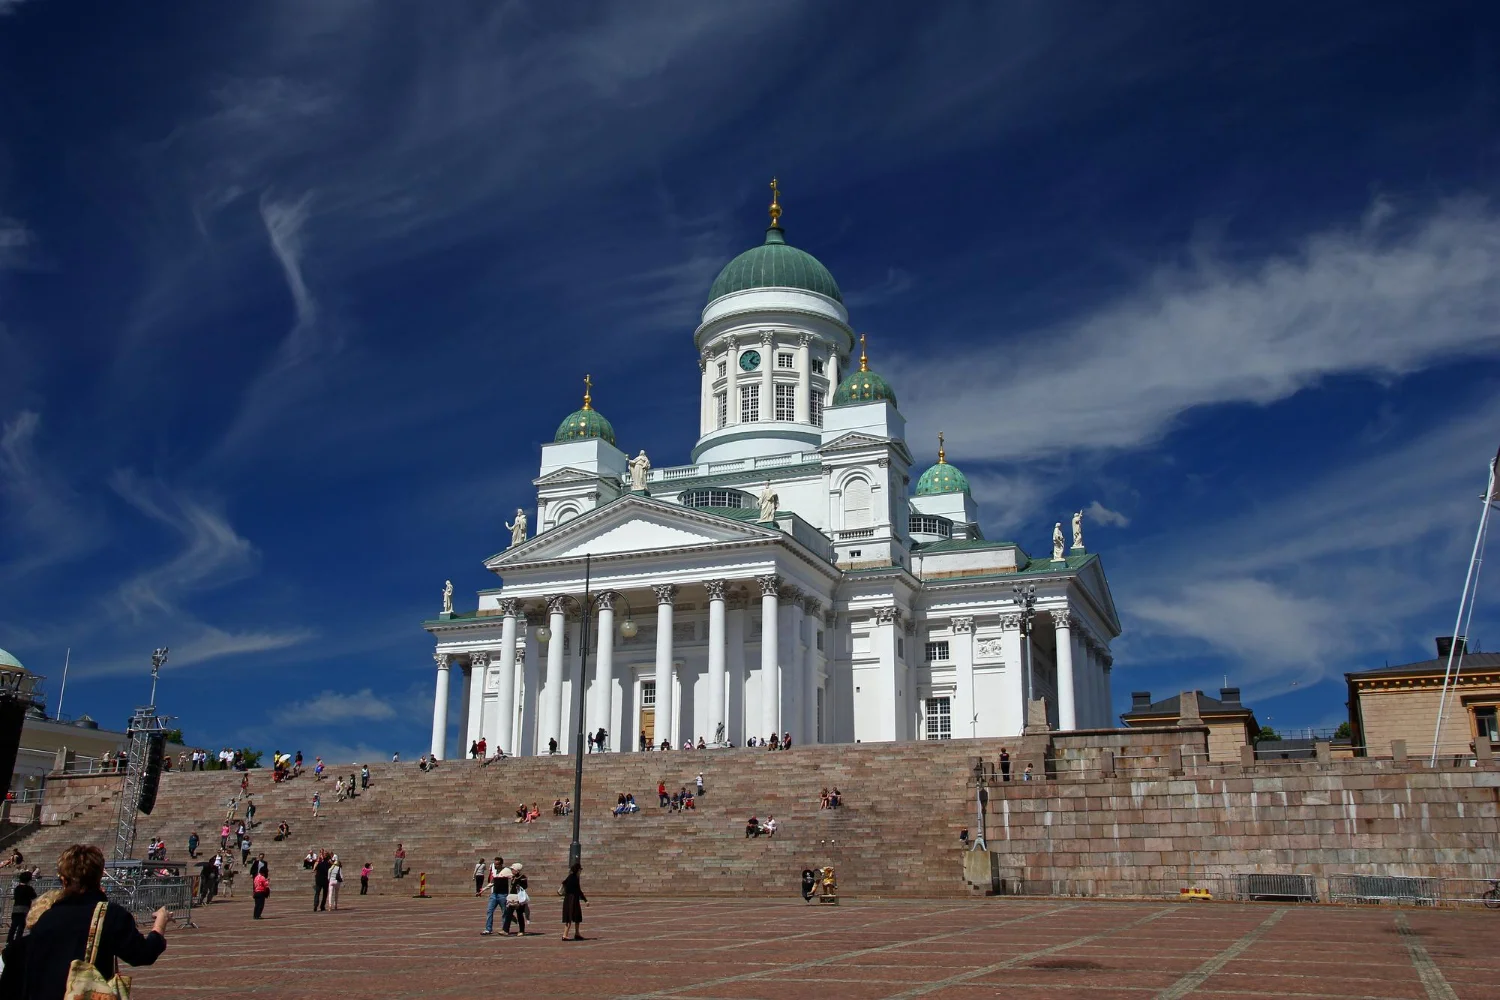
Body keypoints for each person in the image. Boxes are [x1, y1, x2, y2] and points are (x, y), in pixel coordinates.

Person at [23, 844, 168, 999]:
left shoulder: (46, 918)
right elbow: (142, 954)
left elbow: (31, 972)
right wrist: (160, 923)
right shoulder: (109, 914)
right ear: (99, 877)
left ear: (64, 880)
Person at [560, 862, 588, 941]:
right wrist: (585, 900)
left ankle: (577, 933)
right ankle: (565, 935)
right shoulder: (574, 878)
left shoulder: (570, 877)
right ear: (578, 870)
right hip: (572, 900)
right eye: (580, 870)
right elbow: (578, 890)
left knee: (576, 916)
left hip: (568, 899)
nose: (580, 872)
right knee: (571, 916)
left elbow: (563, 883)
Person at [482, 862, 510, 935]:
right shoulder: (494, 871)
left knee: (504, 912)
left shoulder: (506, 870)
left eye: (497, 864)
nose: (496, 865)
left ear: (501, 864)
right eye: (495, 864)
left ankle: (505, 929)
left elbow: (513, 878)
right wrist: (483, 890)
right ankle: (488, 929)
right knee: (489, 911)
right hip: (494, 894)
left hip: (503, 894)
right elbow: (492, 882)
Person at [8, 870, 35, 945]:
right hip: (24, 909)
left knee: (13, 926)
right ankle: (17, 942)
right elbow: (34, 896)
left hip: (16, 908)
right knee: (21, 927)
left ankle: (9, 941)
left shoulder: (17, 888)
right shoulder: (29, 888)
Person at [503, 863, 528, 935]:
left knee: (519, 914)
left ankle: (521, 931)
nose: (511, 870)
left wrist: (519, 885)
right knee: (509, 914)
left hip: (519, 898)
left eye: (512, 869)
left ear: (517, 870)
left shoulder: (522, 877)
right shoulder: (513, 877)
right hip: (512, 897)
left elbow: (525, 886)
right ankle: (505, 930)